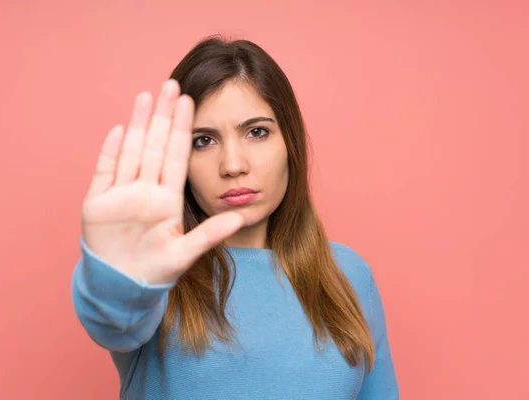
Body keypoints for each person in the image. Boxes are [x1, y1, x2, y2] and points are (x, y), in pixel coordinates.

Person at [72, 36, 399, 399]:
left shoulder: (350, 276)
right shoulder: (155, 280)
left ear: (290, 142)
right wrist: (118, 278)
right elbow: (115, 318)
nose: (232, 165)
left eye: (256, 132)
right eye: (203, 141)